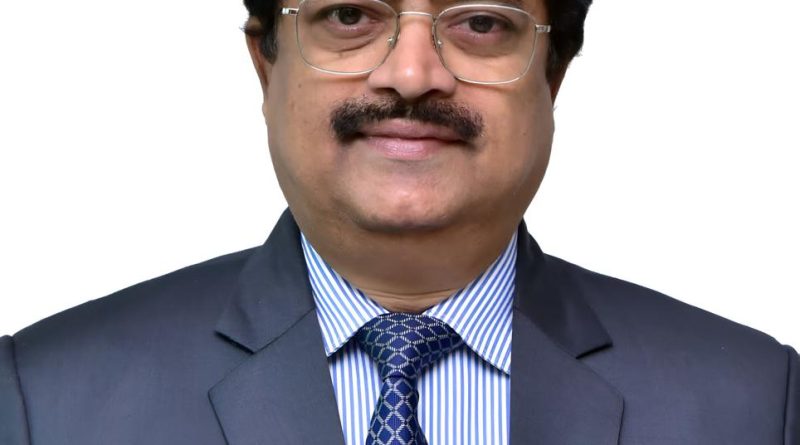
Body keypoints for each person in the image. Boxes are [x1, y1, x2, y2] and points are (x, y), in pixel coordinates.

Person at [1, 0, 797, 442]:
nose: (412, 74)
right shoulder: (44, 400)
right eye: (350, 14)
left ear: (553, 76)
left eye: (481, 22)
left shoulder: (754, 404)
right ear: (266, 64)